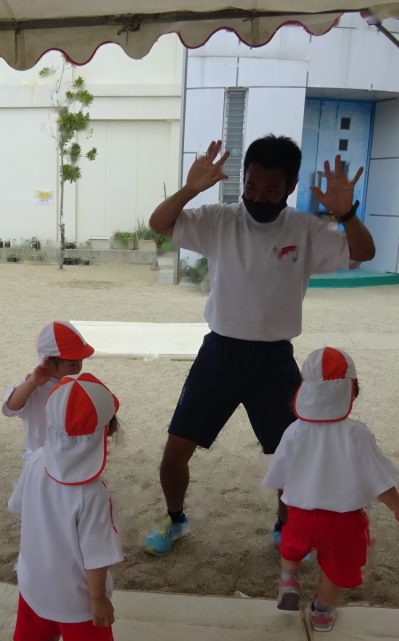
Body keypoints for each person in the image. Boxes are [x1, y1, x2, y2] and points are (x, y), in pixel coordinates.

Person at [143, 135, 376, 556]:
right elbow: (159, 224)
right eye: (251, 186)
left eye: (271, 189)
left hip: (273, 359)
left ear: (289, 186)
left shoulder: (305, 229)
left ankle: (284, 526)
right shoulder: (219, 219)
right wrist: (191, 189)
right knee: (176, 450)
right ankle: (175, 518)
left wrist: (347, 214)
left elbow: (363, 251)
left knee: (294, 456)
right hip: (219, 353)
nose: (258, 196)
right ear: (243, 180)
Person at [9, 373, 144, 641]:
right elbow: (97, 555)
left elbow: (18, 505)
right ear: (106, 433)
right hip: (78, 599)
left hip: (34, 584)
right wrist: (98, 599)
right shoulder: (93, 492)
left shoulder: (36, 461)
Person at [262, 347, 399, 631]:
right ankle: (321, 612)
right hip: (342, 520)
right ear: (351, 392)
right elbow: (379, 479)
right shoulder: (356, 433)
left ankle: (289, 578)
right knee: (335, 567)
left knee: (291, 546)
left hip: (301, 513)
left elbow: (279, 473)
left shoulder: (294, 430)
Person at [2, 321, 95, 460]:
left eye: (80, 361)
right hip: (41, 460)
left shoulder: (77, 383)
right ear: (48, 362)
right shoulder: (34, 385)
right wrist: (32, 383)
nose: (78, 368)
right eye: (72, 364)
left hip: (71, 457)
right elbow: (10, 408)